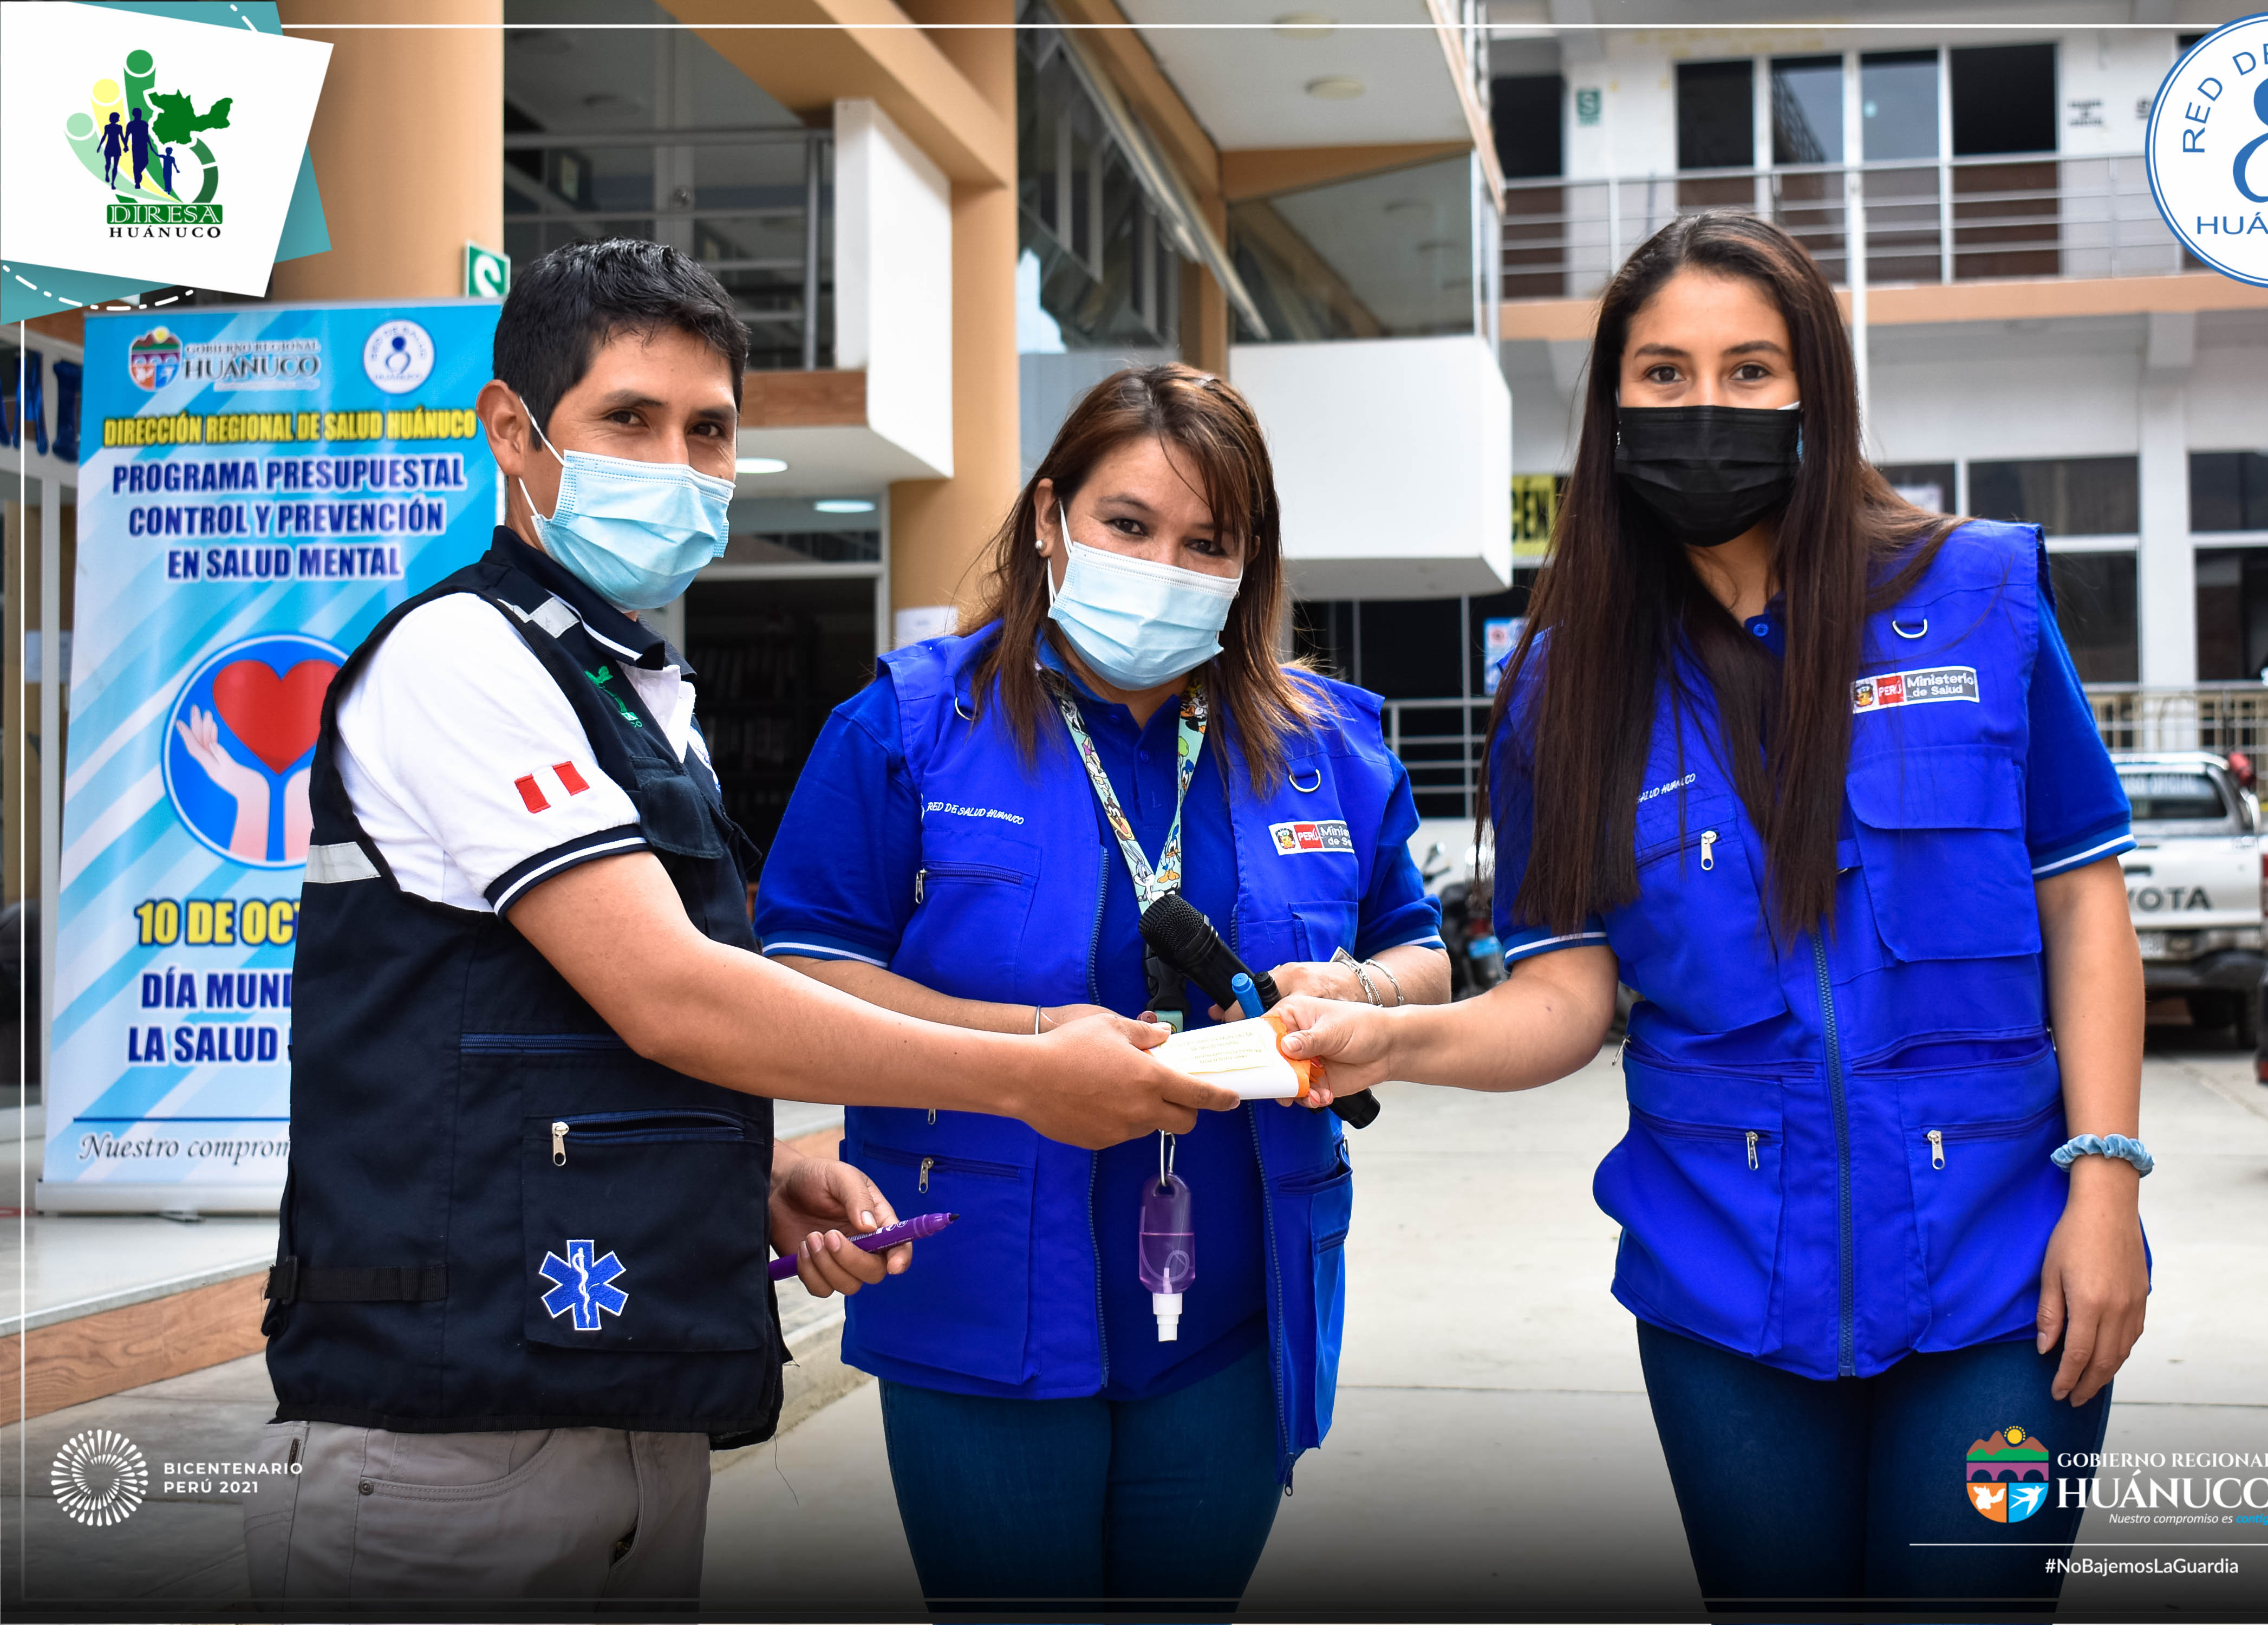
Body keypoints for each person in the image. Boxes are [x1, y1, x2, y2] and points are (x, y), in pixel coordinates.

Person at [245, 244, 1234, 1608]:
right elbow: (674, 996)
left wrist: (740, 1176)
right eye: (628, 420)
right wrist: (1022, 1073)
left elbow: (567, 1034)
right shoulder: (461, 658)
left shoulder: (633, 693)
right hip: (447, 1427)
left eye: (707, 431)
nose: (677, 464)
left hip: (615, 1386)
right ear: (512, 432)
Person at [1273, 214, 2150, 1611]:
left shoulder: (1978, 598)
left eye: (1749, 370)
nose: (1705, 408)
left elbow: (2084, 904)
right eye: (1664, 375)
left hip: (2004, 1264)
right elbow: (1564, 996)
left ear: (1815, 391)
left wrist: (2104, 1184)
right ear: (1615, 407)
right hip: (1725, 1281)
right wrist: (1393, 1037)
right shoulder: (1567, 688)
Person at [754, 363, 1450, 1613]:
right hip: (977, 1295)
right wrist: (1027, 1046)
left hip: (1234, 1314)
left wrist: (1360, 989)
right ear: (1048, 516)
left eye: (1206, 544)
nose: (1163, 569)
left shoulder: (1329, 746)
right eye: (1127, 525)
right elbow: (803, 976)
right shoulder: (907, 727)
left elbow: (1422, 949)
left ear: (1248, 564)